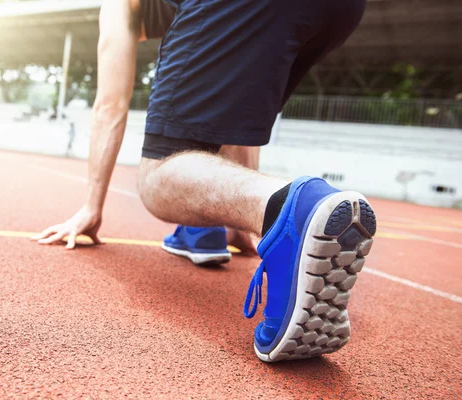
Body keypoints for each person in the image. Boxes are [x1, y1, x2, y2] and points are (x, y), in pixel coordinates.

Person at [32, 0, 375, 362]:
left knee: (157, 176)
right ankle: (251, 223)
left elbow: (109, 106)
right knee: (227, 117)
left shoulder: (119, 5)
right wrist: (246, 219)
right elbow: (242, 130)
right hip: (339, 11)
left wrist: (92, 206)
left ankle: (292, 210)